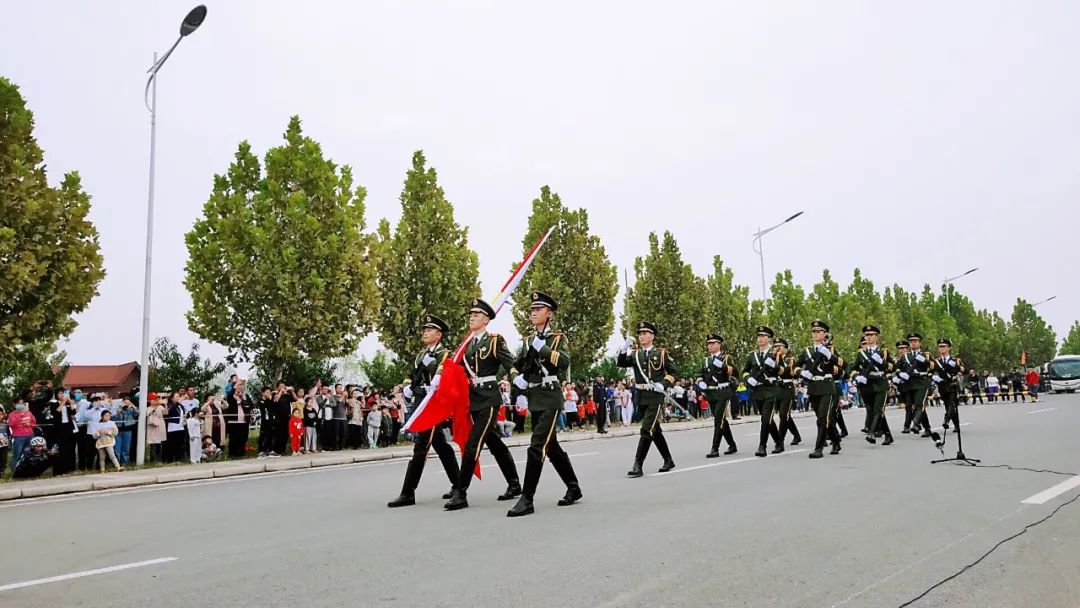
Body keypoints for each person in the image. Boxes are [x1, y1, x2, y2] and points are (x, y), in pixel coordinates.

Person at [506, 291, 581, 517]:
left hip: (551, 398)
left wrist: (544, 349)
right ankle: (574, 487)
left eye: (538, 309)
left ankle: (527, 498)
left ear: (549, 313)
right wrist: (515, 379)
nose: (533, 313)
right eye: (532, 309)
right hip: (535, 398)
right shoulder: (528, 340)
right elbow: (517, 365)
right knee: (552, 447)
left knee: (537, 445)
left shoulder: (558, 338)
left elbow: (565, 361)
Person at [444, 298, 523, 511]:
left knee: (473, 444)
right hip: (473, 399)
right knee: (494, 442)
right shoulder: (466, 346)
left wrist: (516, 380)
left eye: (476, 315)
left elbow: (509, 363)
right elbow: (455, 369)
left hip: (489, 398)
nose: (472, 317)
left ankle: (461, 493)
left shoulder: (495, 341)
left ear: (486, 319)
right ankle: (515, 484)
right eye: (470, 314)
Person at [618, 320, 678, 477]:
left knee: (646, 429)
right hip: (641, 396)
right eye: (640, 334)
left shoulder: (661, 353)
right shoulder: (636, 354)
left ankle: (638, 464)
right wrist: (624, 348)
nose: (641, 337)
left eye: (645, 334)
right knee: (654, 430)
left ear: (652, 336)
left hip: (655, 396)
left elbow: (673, 372)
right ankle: (668, 459)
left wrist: (664, 384)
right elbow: (621, 363)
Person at [795, 320, 845, 459]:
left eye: (819, 332)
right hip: (813, 388)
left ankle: (818, 449)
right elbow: (795, 366)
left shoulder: (830, 349)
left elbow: (843, 365)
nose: (816, 334)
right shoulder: (807, 351)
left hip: (827, 386)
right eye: (814, 332)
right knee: (822, 418)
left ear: (825, 334)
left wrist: (830, 356)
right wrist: (801, 373)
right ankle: (836, 440)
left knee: (822, 419)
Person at [742, 326, 784, 457]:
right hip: (757, 390)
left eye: (763, 336)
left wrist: (774, 366)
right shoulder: (752, 356)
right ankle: (779, 441)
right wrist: (748, 379)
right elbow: (744, 371)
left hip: (771, 389)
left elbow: (784, 371)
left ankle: (762, 446)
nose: (760, 338)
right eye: (758, 336)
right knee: (767, 419)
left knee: (766, 418)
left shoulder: (775, 355)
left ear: (768, 339)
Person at [849, 325, 894, 446]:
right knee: (874, 410)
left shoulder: (883, 352)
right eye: (867, 335)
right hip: (866, 385)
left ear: (876, 337)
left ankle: (872, 433)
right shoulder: (861, 354)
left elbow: (892, 367)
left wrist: (881, 362)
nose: (868, 337)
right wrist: (856, 377)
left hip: (880, 383)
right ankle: (888, 435)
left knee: (878, 409)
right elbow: (853, 369)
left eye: (871, 335)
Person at [699, 333, 737, 458]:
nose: (710, 346)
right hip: (711, 393)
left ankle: (715, 448)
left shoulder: (725, 358)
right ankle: (732, 444)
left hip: (723, 391)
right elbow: (700, 374)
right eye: (709, 344)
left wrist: (724, 366)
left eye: (713, 343)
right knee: (721, 419)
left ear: (719, 344)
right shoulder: (706, 360)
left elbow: (735, 372)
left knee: (718, 420)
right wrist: (700, 382)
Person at [900, 333, 935, 438]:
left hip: (922, 382)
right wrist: (899, 375)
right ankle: (927, 428)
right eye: (911, 341)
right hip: (910, 383)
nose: (913, 343)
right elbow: (898, 368)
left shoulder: (926, 355)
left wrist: (925, 361)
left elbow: (933, 366)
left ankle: (915, 424)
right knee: (914, 406)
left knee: (919, 404)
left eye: (915, 341)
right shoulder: (906, 356)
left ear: (920, 343)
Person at [932, 339, 965, 435]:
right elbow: (931, 371)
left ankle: (946, 420)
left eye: (944, 346)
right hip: (942, 385)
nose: (942, 348)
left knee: (952, 404)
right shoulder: (936, 361)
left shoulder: (955, 360)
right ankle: (956, 425)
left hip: (952, 384)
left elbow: (963, 370)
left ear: (949, 348)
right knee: (947, 405)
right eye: (940, 347)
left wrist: (957, 367)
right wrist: (935, 377)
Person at [774, 338, 803, 447]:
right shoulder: (773, 358)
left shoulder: (790, 359)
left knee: (783, 414)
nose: (777, 348)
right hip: (777, 388)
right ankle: (796, 435)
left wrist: (780, 361)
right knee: (786, 415)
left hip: (787, 387)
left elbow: (790, 373)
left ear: (785, 348)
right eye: (775, 346)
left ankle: (780, 439)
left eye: (780, 346)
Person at [8, 396, 37, 470]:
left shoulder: (29, 413)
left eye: (22, 403)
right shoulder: (12, 414)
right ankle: (14, 471)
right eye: (19, 403)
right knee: (17, 455)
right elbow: (12, 424)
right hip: (19, 437)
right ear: (14, 405)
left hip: (30, 435)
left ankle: (29, 470)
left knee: (30, 454)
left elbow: (34, 422)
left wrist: (30, 425)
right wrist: (22, 414)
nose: (21, 405)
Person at [223, 382, 251, 459]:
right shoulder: (231, 398)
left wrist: (242, 398)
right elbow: (229, 394)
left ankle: (241, 454)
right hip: (233, 421)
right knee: (233, 439)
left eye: (241, 389)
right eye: (237, 389)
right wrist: (235, 387)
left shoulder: (244, 397)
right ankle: (232, 454)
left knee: (242, 438)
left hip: (243, 422)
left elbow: (249, 406)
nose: (239, 391)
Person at [113, 397, 138, 466]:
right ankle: (117, 463)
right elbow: (113, 417)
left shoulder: (130, 409)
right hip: (118, 431)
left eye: (127, 402)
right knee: (117, 448)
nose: (125, 404)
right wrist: (119, 410)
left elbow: (137, 414)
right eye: (124, 402)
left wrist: (132, 406)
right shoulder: (117, 408)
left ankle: (125, 463)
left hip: (127, 430)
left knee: (126, 448)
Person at [165, 392, 187, 463]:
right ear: (172, 398)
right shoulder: (169, 405)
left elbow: (183, 412)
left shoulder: (180, 405)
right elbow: (168, 412)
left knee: (179, 444)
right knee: (172, 444)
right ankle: (170, 459)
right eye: (176, 396)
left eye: (178, 396)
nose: (178, 398)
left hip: (180, 426)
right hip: (172, 427)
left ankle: (179, 458)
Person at [146, 393, 166, 463]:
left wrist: (165, 404)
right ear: (149, 400)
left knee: (159, 443)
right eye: (153, 399)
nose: (155, 401)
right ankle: (153, 460)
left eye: (155, 399)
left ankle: (159, 459)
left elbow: (166, 413)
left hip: (160, 426)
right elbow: (150, 414)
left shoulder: (160, 407)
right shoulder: (148, 408)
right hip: (152, 427)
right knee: (153, 443)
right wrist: (156, 406)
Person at [257, 387, 276, 457]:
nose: (269, 394)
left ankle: (269, 450)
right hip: (264, 421)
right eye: (267, 392)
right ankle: (261, 450)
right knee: (263, 435)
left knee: (270, 435)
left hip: (270, 421)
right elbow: (263, 407)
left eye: (269, 392)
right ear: (263, 393)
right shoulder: (260, 401)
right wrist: (268, 399)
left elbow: (272, 408)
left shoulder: (269, 400)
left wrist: (270, 399)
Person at [0, 409, 10, 477]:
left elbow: (9, 433)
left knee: (3, 459)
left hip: (4, 443)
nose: (0, 416)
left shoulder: (5, 424)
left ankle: (1, 472)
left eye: (1, 414)